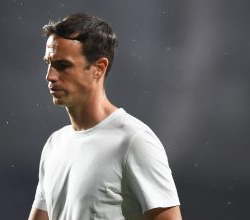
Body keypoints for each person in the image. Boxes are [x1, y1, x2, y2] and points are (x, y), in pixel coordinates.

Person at [28, 13, 182, 220]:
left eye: (63, 65)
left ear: (99, 68)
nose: (50, 76)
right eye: (49, 63)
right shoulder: (54, 145)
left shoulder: (134, 141)